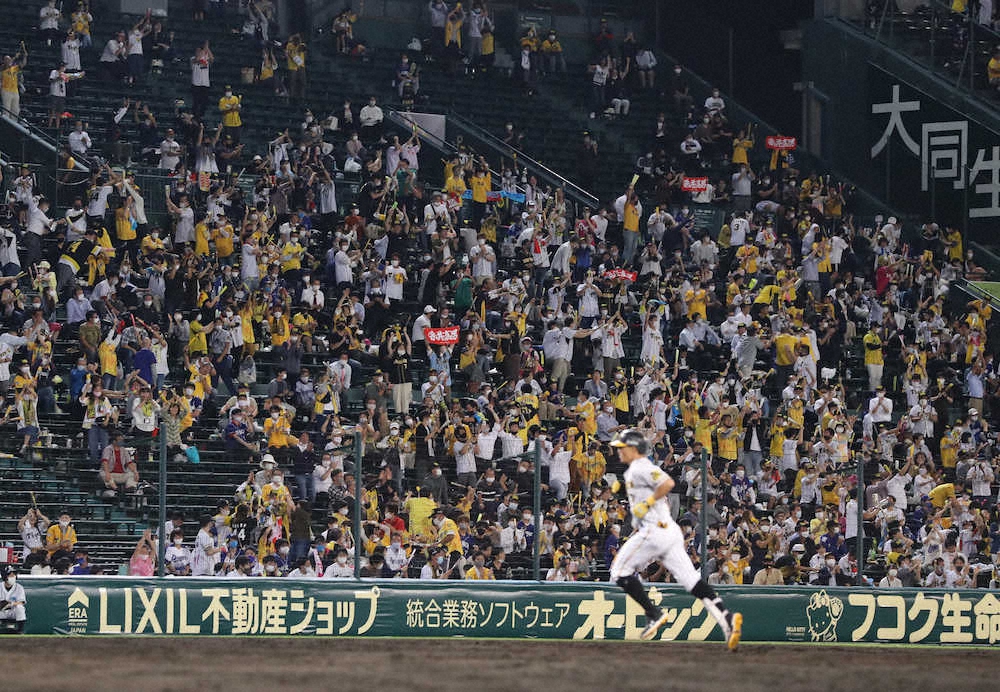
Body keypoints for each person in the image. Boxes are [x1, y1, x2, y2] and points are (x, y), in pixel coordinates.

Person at [608, 429, 742, 647]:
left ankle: (653, 613)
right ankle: (726, 617)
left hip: (654, 532)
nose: (619, 452)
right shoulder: (634, 471)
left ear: (633, 448)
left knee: (619, 571)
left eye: (622, 448)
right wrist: (625, 490)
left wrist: (647, 502)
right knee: (691, 581)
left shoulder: (641, 467)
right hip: (668, 533)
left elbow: (667, 484)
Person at [0, 567, 27, 633]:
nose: (13, 577)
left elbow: (21, 602)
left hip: (13, 611)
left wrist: (10, 604)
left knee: (20, 608)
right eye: (10, 575)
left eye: (14, 575)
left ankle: (20, 630)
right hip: (1, 611)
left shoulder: (19, 587)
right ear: (5, 577)